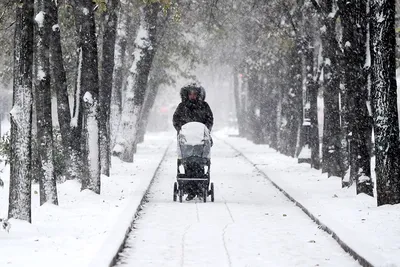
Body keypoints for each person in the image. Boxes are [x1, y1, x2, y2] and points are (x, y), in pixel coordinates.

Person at [173, 83, 214, 201]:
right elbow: (176, 120)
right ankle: (191, 190)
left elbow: (209, 119)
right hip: (187, 140)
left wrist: (206, 130)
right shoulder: (182, 107)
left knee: (200, 164)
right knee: (188, 165)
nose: (192, 96)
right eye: (190, 94)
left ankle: (200, 189)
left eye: (195, 94)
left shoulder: (204, 106)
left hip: (200, 140)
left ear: (199, 95)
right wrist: (181, 129)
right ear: (187, 95)